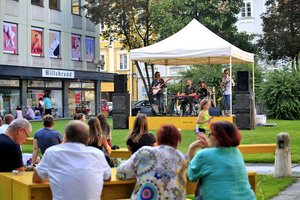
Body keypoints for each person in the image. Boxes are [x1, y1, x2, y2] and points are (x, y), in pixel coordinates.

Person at [32, 120, 111, 200]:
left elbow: (36, 178)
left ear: (65, 136)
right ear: (88, 138)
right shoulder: (97, 154)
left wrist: (55, 177)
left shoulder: (52, 152)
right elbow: (107, 177)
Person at [187, 121, 255, 200]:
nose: (208, 138)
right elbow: (217, 158)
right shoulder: (236, 152)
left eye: (210, 134)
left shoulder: (204, 154)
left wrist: (191, 149)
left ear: (217, 137)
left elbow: (191, 176)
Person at [117, 124, 188, 199]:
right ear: (177, 142)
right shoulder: (183, 158)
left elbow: (121, 173)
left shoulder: (145, 152)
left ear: (158, 139)